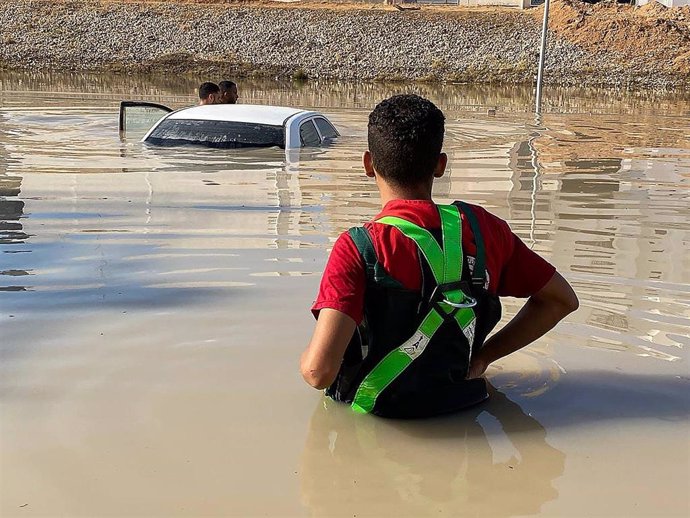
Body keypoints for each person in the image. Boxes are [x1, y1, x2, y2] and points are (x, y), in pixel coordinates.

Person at [300, 94, 578, 418]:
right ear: (441, 165)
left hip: (379, 420)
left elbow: (318, 372)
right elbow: (562, 300)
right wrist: (485, 357)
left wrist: (304, 357)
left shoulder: (359, 247)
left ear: (367, 164)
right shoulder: (486, 230)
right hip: (464, 408)